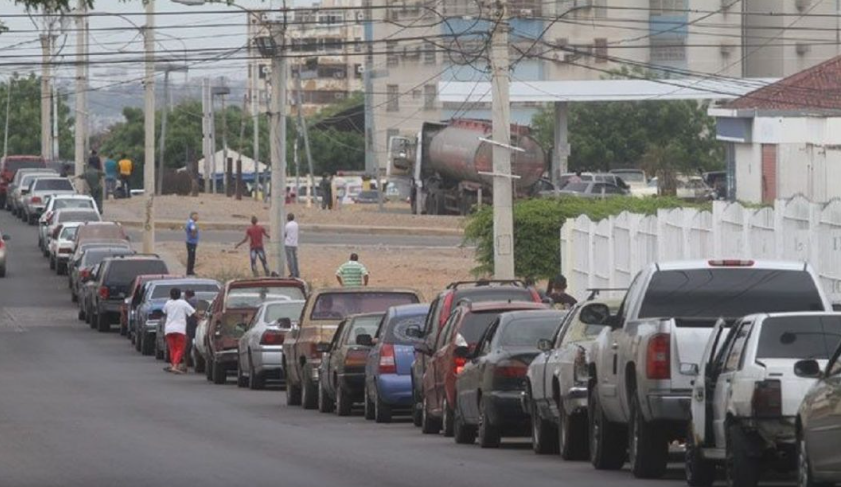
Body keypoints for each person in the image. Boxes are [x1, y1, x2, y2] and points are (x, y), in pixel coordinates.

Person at [162, 287, 196, 374]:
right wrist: (201, 318)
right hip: (180, 329)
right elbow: (193, 313)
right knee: (180, 349)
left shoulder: (168, 303)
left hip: (169, 329)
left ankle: (174, 364)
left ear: (170, 295)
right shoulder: (183, 303)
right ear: (180, 295)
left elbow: (164, 312)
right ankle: (175, 366)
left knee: (172, 349)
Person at [84, 150, 104, 214]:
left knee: (92, 196)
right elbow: (100, 167)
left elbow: (87, 165)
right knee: (99, 198)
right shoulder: (97, 158)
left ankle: (93, 208)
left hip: (91, 175)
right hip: (97, 174)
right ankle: (99, 209)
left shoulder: (90, 158)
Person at [183, 290, 198, 370]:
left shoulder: (188, 302)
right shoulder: (198, 301)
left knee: (187, 346)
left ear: (186, 295)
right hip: (197, 325)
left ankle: (185, 364)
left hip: (190, 326)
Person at [285, 213, 299, 278]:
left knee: (290, 260)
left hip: (288, 244)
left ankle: (292, 273)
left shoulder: (287, 225)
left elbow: (285, 234)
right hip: (294, 244)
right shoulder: (296, 224)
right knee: (295, 259)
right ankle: (297, 272)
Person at [185, 212, 199, 276]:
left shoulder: (191, 223)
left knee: (191, 257)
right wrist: (194, 235)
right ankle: (190, 271)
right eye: (196, 216)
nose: (197, 217)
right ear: (192, 216)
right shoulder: (191, 223)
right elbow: (193, 230)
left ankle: (190, 270)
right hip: (191, 242)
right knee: (191, 257)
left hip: (191, 242)